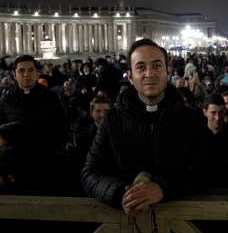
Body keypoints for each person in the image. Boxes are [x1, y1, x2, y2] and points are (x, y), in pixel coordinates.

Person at [81, 38, 210, 217]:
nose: (149, 73)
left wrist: (163, 188)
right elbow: (90, 173)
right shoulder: (112, 119)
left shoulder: (192, 118)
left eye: (156, 66)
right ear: (131, 77)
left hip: (180, 219)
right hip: (125, 224)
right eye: (141, 67)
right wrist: (121, 194)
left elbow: (204, 171)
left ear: (168, 71)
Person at [0, 55, 69, 163]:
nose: (26, 74)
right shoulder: (5, 100)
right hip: (16, 160)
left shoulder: (51, 97)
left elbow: (63, 127)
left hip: (46, 159)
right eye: (21, 71)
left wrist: (51, 149)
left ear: (37, 73)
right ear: (15, 75)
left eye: (31, 70)